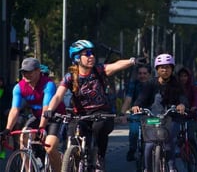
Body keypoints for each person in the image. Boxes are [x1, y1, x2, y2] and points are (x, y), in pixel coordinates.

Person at [44, 39, 138, 172]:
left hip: (101, 112)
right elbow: (58, 96)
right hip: (80, 115)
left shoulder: (99, 70)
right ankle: (75, 161)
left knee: (98, 127)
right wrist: (49, 109)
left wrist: (132, 61)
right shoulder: (70, 77)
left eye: (92, 53)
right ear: (77, 58)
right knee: (72, 135)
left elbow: (115, 65)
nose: (91, 56)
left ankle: (99, 158)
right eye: (87, 54)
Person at [0, 58, 66, 172]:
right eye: (23, 72)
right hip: (37, 117)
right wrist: (7, 129)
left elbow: (46, 108)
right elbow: (15, 109)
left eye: (29, 71)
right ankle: (29, 169)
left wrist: (41, 128)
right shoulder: (19, 87)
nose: (26, 75)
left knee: (49, 147)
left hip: (54, 117)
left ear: (38, 71)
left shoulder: (48, 84)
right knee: (24, 136)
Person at [131, 53, 187, 172]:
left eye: (167, 67)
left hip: (171, 118)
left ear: (172, 69)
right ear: (157, 69)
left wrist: (182, 105)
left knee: (168, 140)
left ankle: (171, 167)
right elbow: (142, 97)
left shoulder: (177, 84)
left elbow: (183, 97)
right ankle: (147, 169)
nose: (165, 70)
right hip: (154, 118)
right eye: (162, 67)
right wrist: (136, 105)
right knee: (149, 144)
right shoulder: (150, 83)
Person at [119, 65, 152, 161]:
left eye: (145, 73)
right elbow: (128, 99)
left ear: (149, 75)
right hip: (136, 114)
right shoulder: (133, 84)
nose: (142, 76)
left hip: (151, 116)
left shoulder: (154, 84)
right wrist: (122, 113)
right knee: (134, 132)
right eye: (140, 73)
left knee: (155, 137)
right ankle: (132, 150)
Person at [177, 67, 197, 153]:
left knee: (190, 137)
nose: (183, 78)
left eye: (185, 76)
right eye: (181, 76)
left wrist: (195, 106)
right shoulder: (175, 88)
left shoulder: (193, 88)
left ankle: (195, 155)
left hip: (190, 116)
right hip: (177, 117)